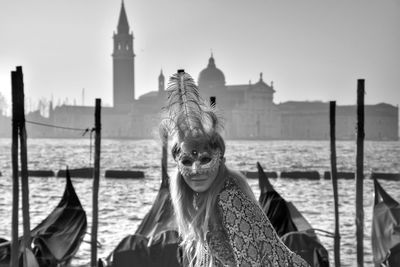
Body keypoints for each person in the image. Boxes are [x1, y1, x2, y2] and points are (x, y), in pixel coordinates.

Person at [161, 70, 310, 267]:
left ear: (220, 159)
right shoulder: (206, 200)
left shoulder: (229, 199)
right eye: (187, 162)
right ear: (178, 167)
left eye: (205, 159)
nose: (196, 170)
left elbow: (250, 264)